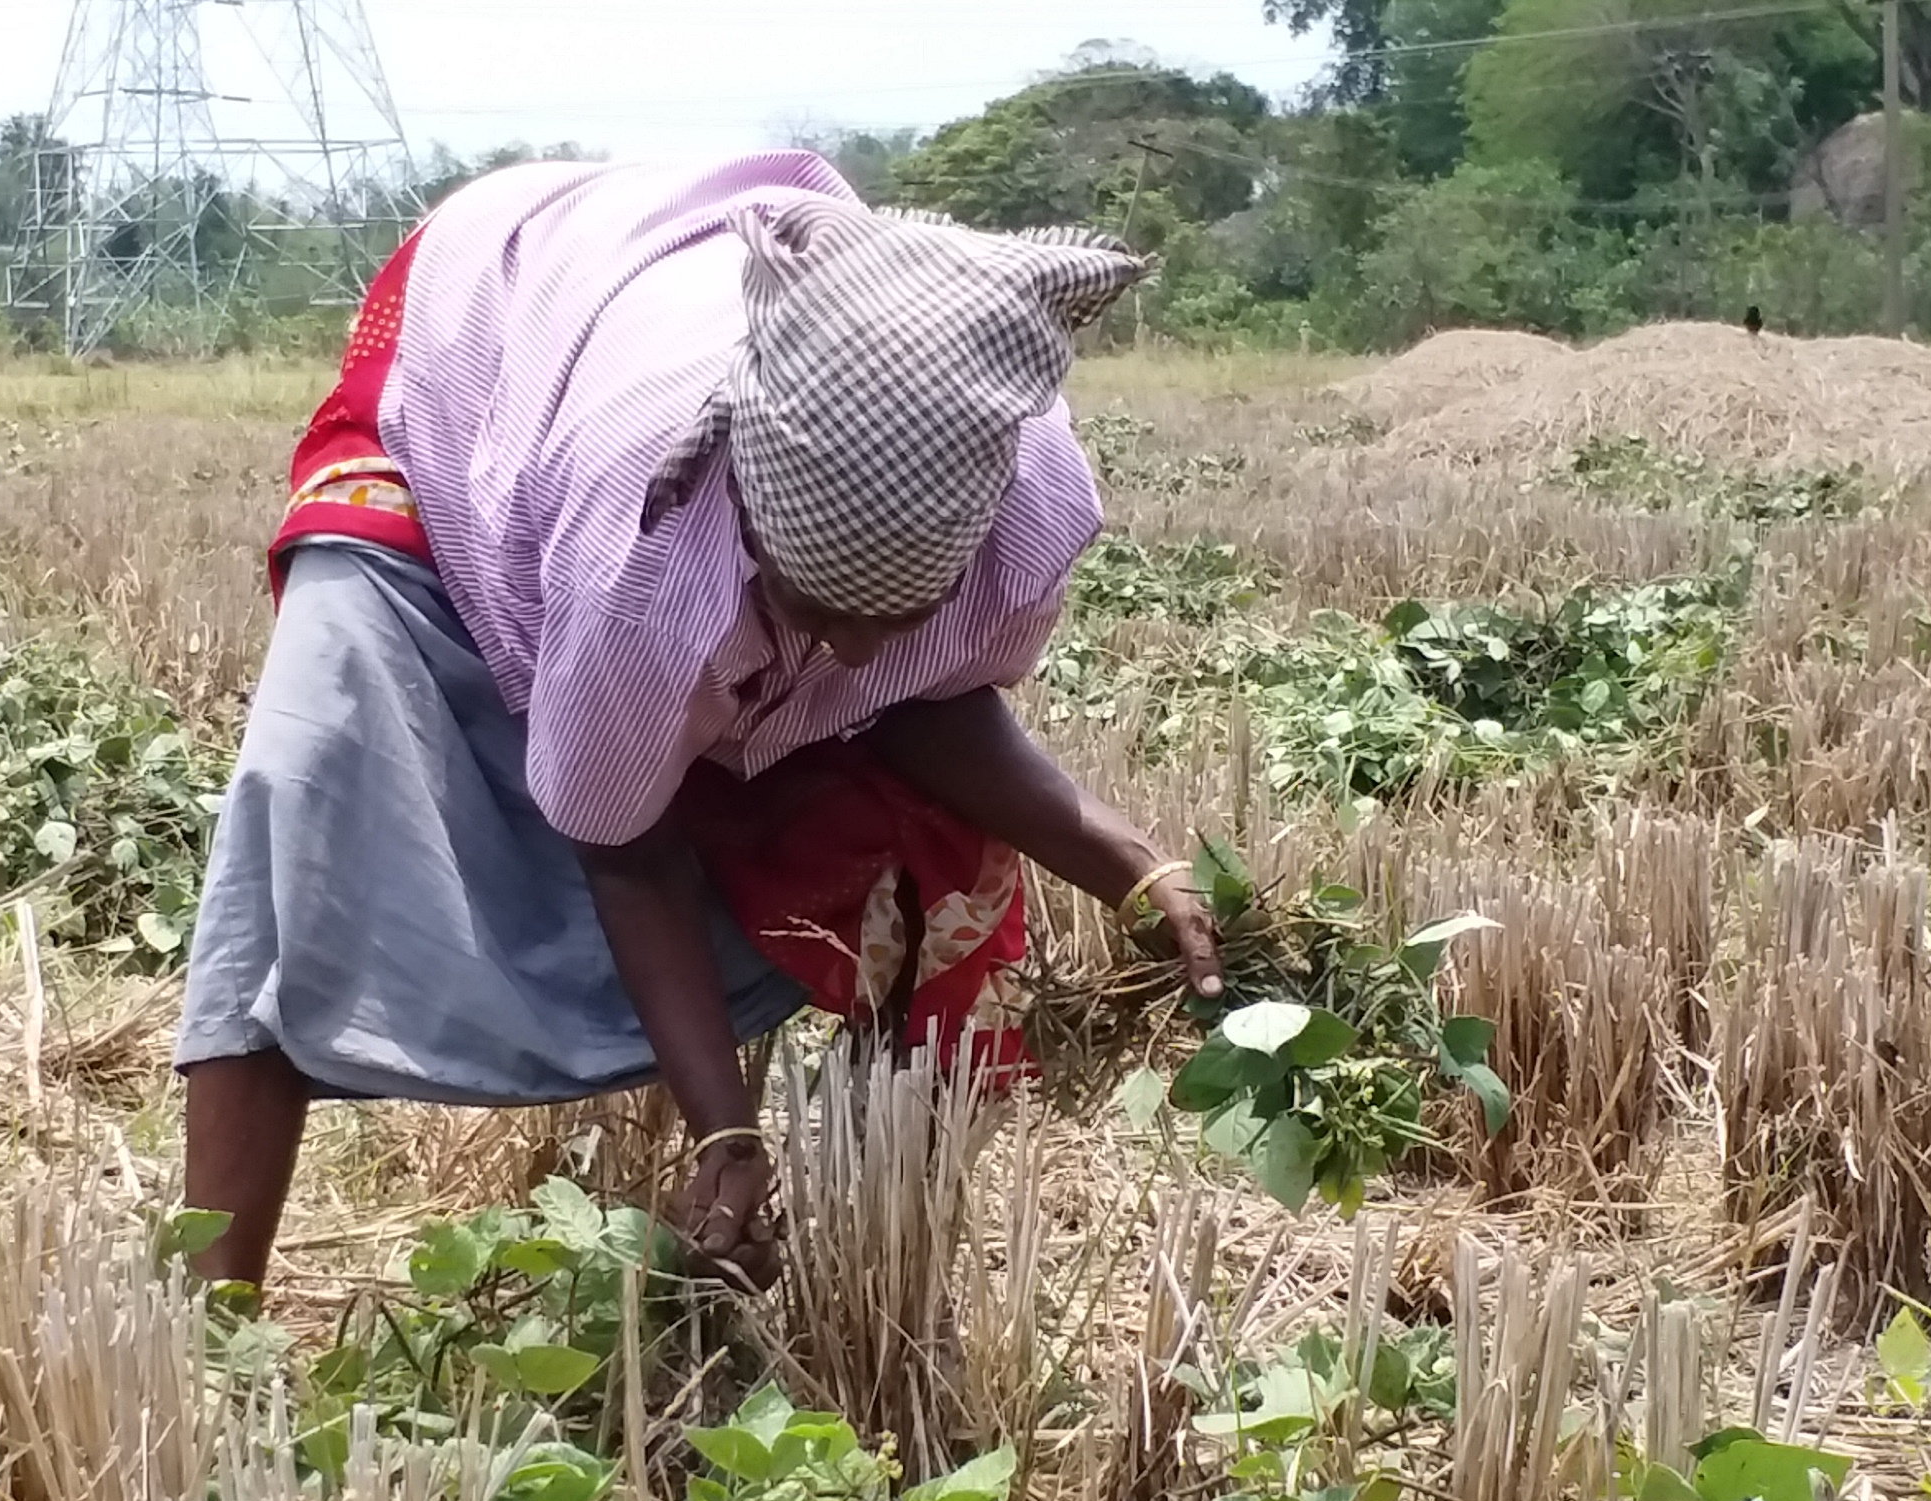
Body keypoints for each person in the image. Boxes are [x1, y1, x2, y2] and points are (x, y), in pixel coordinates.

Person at [176, 153, 1227, 1291]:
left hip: (640, 340)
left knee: (929, 847)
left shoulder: (1022, 500)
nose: (861, 657)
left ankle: (877, 1270)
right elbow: (629, 860)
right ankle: (211, 1318)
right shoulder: (644, 544)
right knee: (302, 811)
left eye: (905, 611)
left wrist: (1128, 863)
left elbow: (922, 706)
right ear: (749, 524)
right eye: (817, 609)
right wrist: (723, 1128)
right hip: (472, 350)